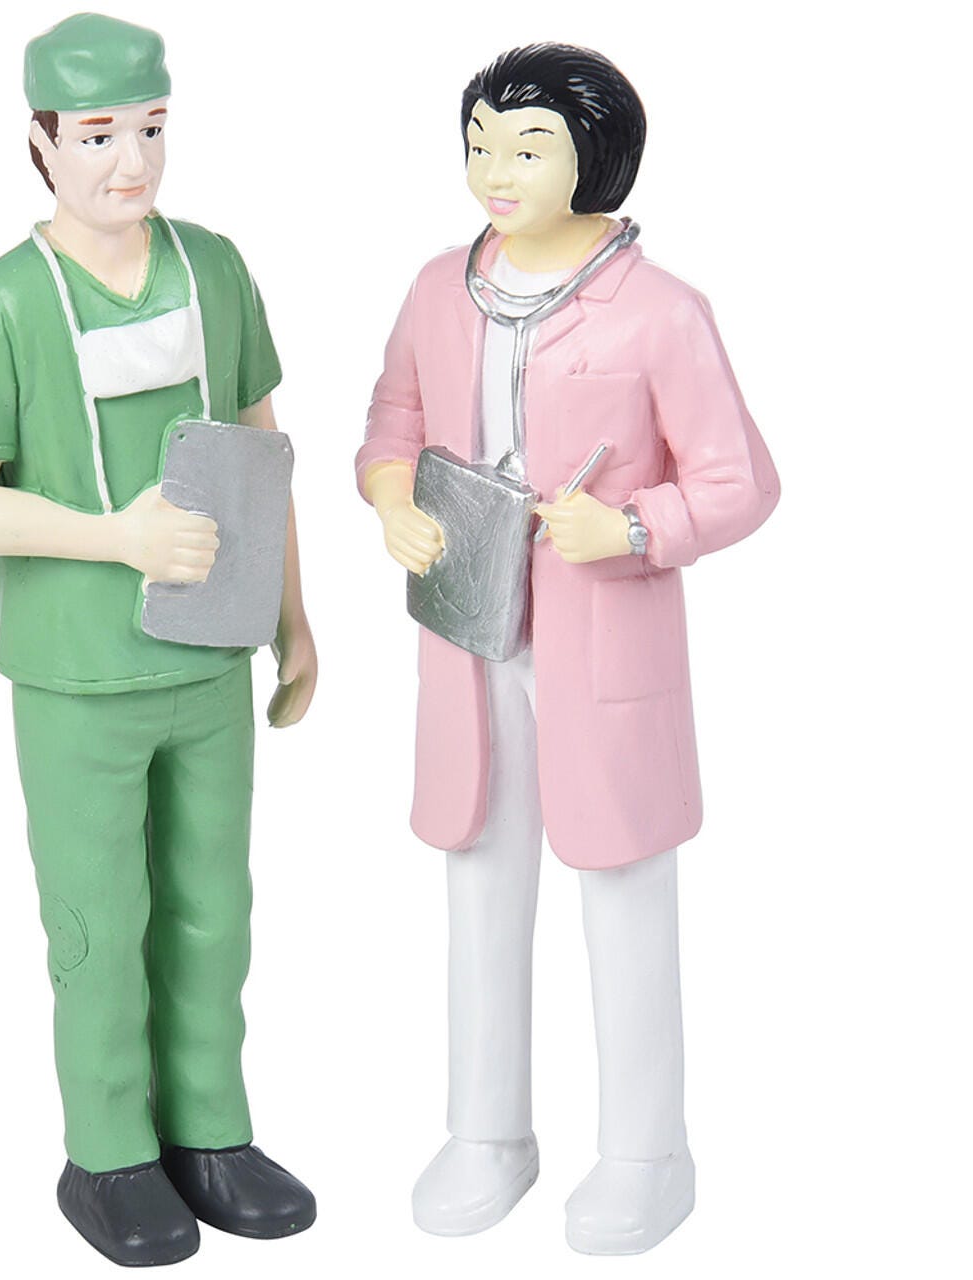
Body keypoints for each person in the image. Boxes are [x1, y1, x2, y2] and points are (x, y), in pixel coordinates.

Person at [356, 43, 778, 1254]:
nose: (494, 170)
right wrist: (390, 497)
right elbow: (390, 417)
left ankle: (646, 1150)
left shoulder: (660, 311)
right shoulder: (439, 288)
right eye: (478, 143)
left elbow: (739, 481)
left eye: (526, 146)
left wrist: (632, 527)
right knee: (477, 870)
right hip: (468, 631)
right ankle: (486, 1128)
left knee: (621, 884)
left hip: (601, 648)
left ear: (594, 158)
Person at [0, 14, 317, 1268]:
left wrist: (294, 618)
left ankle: (210, 1128)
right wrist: (114, 538)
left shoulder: (216, 270)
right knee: (97, 918)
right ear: (40, 141)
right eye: (96, 136)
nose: (129, 160)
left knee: (213, 908)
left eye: (149, 127)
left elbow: (260, 450)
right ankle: (108, 1150)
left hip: (212, 657)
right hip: (78, 677)